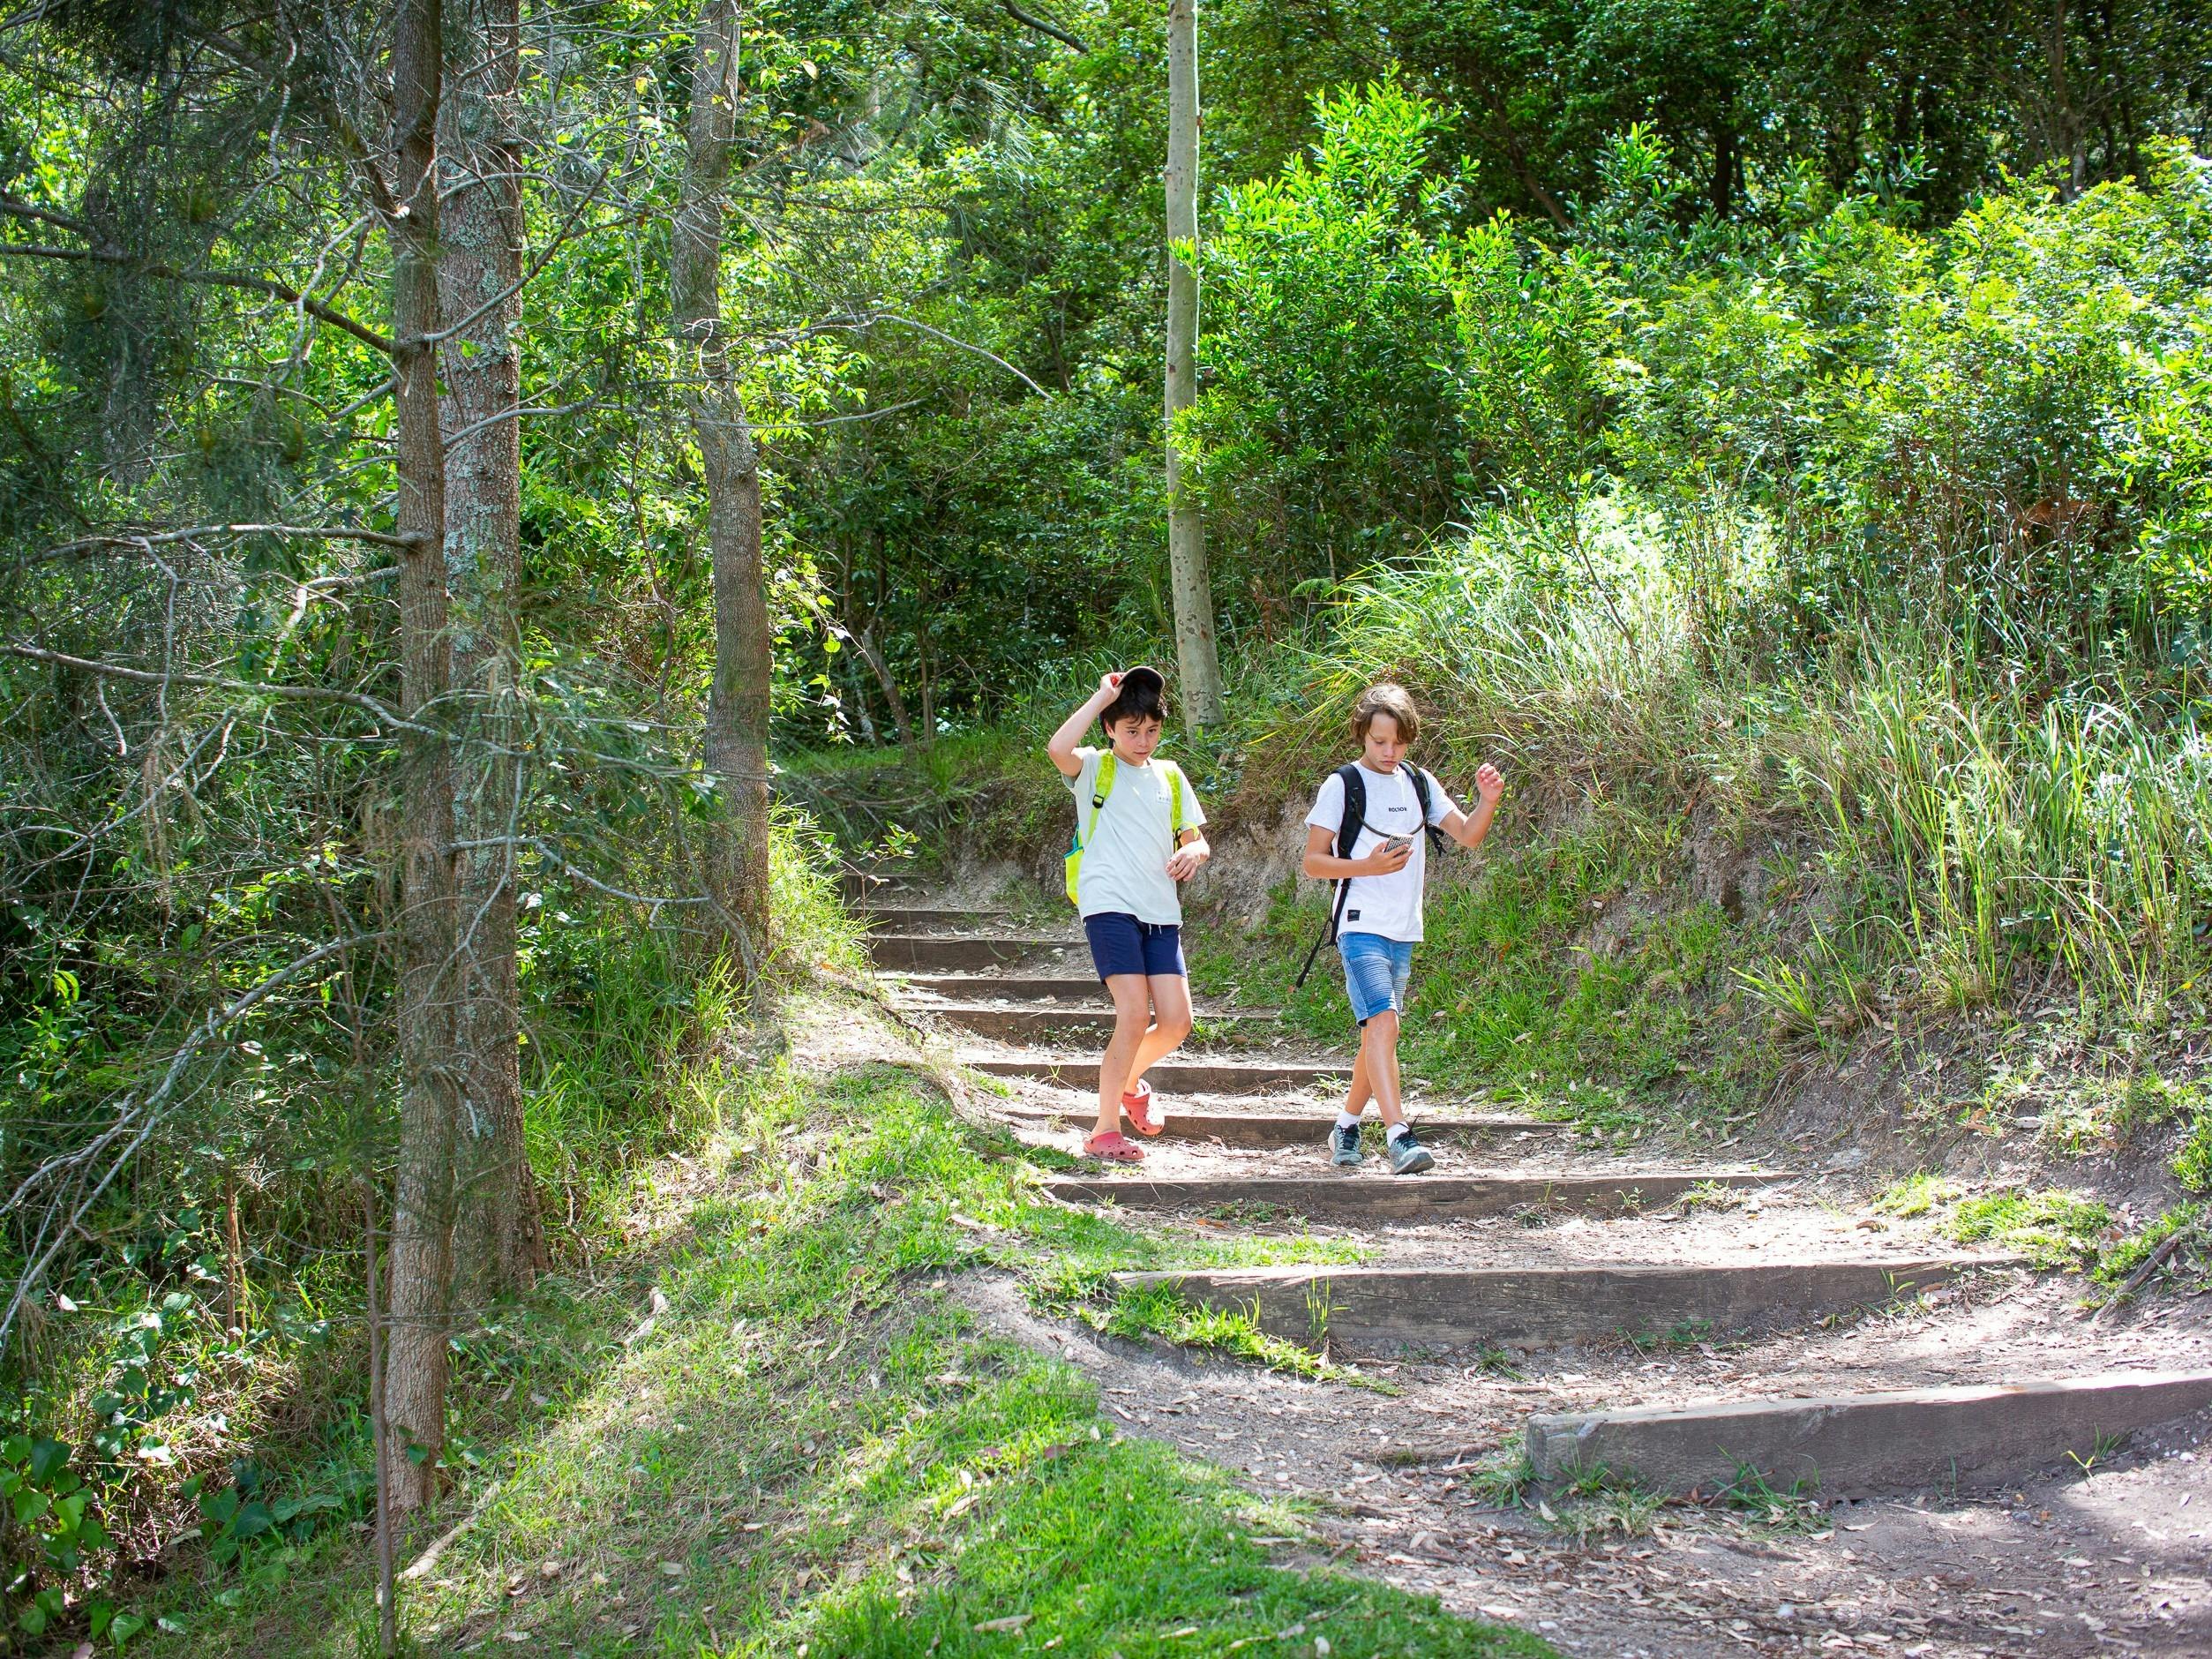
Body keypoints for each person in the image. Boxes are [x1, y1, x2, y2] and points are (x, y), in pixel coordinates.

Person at [1301, 683, 1503, 1175]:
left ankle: (1346, 1126)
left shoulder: (1418, 782)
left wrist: (1488, 801)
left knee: (1379, 1033)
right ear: (1361, 735)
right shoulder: (1342, 785)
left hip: (1404, 929)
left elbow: (1468, 835)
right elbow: (1312, 862)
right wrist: (1367, 867)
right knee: (1385, 1023)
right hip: (1359, 924)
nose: (1389, 751)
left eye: (1399, 742)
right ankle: (1399, 1136)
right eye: (1379, 741)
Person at [1047, 666, 1210, 1162]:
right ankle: (1103, 1131)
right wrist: (1101, 697)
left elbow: (1196, 838)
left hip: (1161, 911)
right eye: (1132, 730)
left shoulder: (1171, 775)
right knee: (1135, 1014)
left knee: (1177, 1022)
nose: (1143, 741)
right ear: (1110, 728)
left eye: (1152, 730)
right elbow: (1057, 748)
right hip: (1108, 905)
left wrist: (1194, 852)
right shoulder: (1094, 767)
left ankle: (1129, 1082)